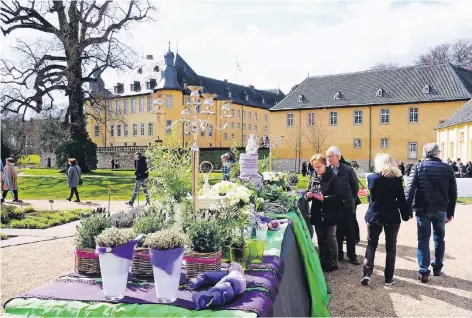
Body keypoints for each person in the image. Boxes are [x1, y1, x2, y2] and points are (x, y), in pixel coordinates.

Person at [405, 143, 457, 283]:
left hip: (423, 209)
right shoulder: (447, 168)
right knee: (439, 239)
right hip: (441, 209)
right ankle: (438, 267)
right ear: (437, 153)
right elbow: (453, 193)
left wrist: (407, 210)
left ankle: (423, 271)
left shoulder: (418, 167)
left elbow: (409, 190)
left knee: (423, 239)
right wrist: (450, 212)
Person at [361, 153, 411, 286]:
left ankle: (367, 273)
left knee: (371, 244)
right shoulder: (397, 180)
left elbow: (371, 197)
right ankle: (388, 278)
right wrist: (406, 215)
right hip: (392, 215)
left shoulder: (372, 178)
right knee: (391, 248)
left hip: (375, 214)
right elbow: (401, 199)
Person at [306, 154, 343, 272]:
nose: (317, 169)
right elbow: (309, 190)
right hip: (317, 211)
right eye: (315, 167)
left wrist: (325, 198)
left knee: (330, 237)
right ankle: (323, 261)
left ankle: (333, 262)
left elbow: (339, 196)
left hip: (331, 212)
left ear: (325, 164)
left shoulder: (333, 177)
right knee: (321, 238)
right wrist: (308, 195)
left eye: (319, 166)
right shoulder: (313, 176)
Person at [326, 146, 361, 265]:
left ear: (338, 157)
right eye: (328, 156)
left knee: (350, 230)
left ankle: (352, 255)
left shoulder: (348, 169)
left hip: (347, 205)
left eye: (331, 156)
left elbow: (355, 187)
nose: (329, 159)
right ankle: (339, 254)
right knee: (337, 231)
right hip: (334, 206)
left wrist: (350, 200)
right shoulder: (327, 170)